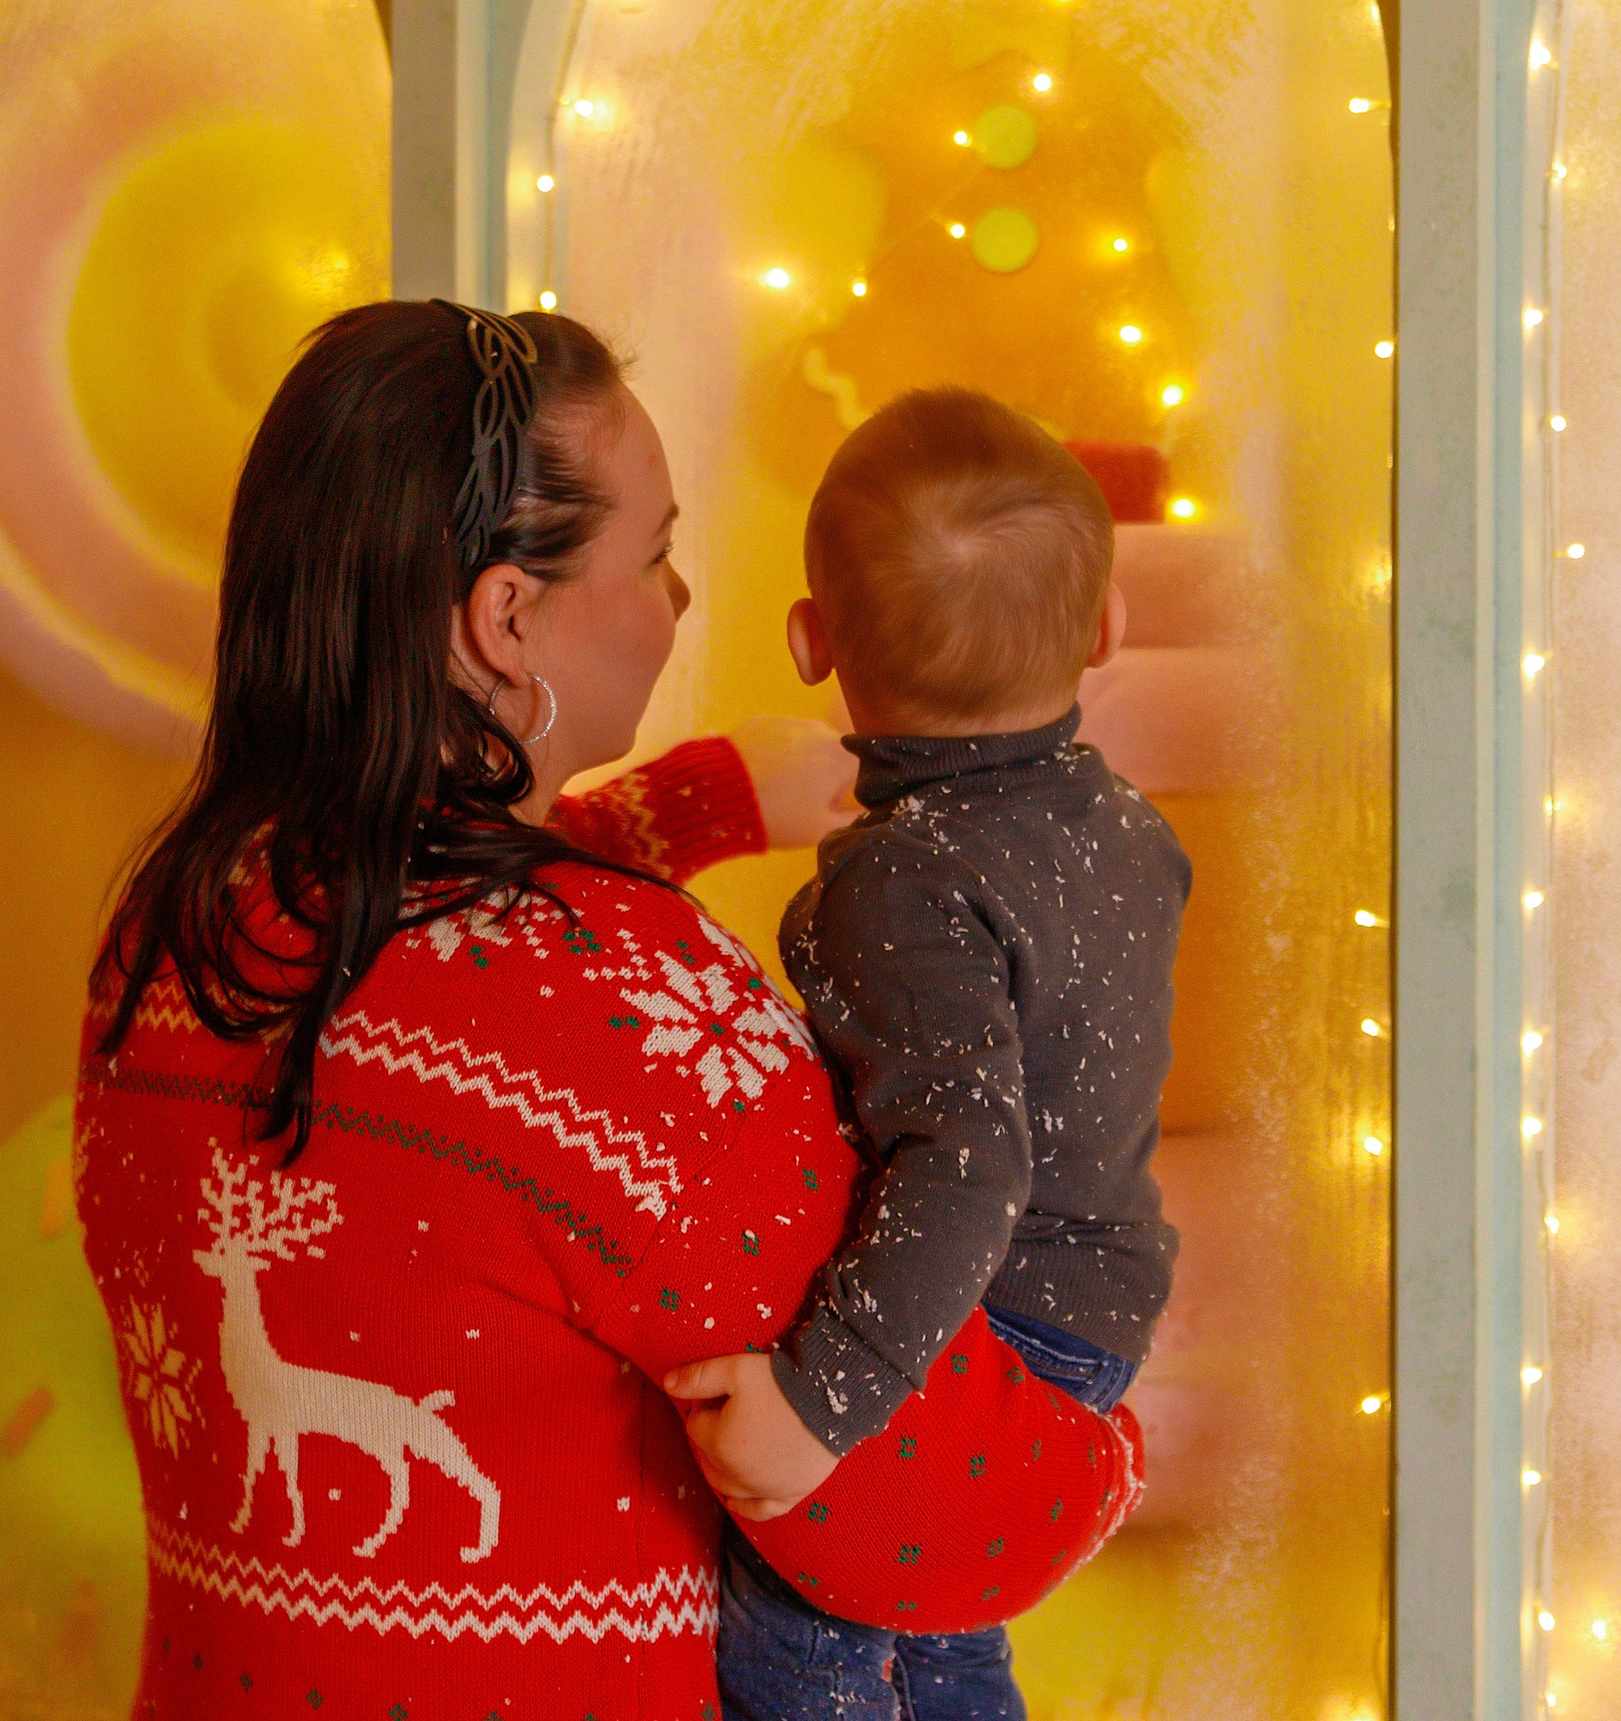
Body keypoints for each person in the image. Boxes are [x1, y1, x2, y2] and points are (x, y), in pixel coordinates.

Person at [73, 304, 1141, 1721]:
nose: (681, 600)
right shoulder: (636, 1018)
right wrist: (1111, 1433)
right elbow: (921, 1517)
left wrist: (701, 798)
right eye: (655, 556)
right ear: (506, 615)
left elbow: (439, 1001)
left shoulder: (171, 934)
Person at [667, 390, 1189, 1721]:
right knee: (944, 1632)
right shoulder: (1126, 825)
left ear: (807, 642)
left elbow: (967, 1160)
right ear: (1106, 631)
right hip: (1093, 1320)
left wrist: (821, 1401)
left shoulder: (901, 881)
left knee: (805, 1641)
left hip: (968, 1322)